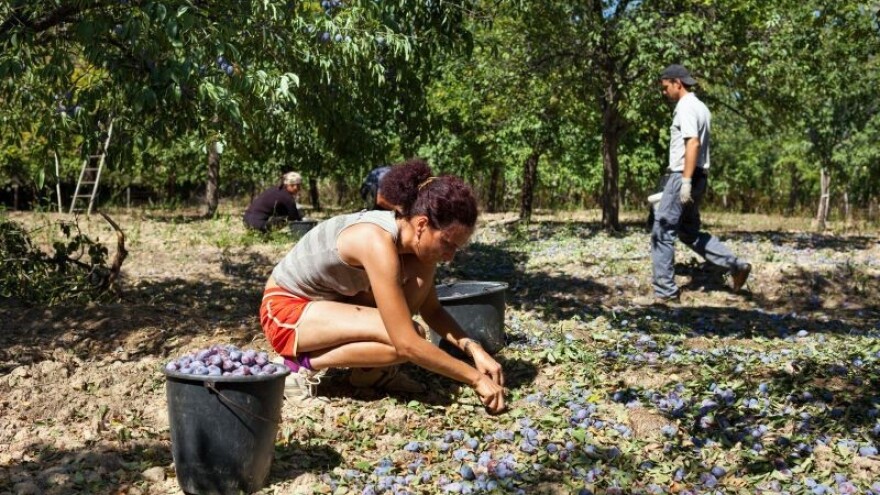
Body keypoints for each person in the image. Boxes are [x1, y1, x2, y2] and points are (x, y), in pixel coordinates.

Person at [259, 159, 506, 413]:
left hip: (326, 305)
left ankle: (369, 373)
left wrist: (473, 349)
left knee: (408, 331)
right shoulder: (375, 241)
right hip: (284, 311)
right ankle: (296, 367)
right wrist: (475, 378)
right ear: (421, 224)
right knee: (409, 339)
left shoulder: (417, 249)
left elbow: (431, 310)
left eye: (457, 247)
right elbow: (407, 343)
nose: (450, 256)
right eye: (447, 243)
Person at [644, 64, 752, 304]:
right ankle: (735, 265)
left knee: (661, 231)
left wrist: (684, 181)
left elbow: (692, 143)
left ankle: (665, 293)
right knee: (688, 232)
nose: (664, 93)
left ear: (676, 83)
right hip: (700, 175)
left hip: (684, 175)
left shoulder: (686, 107)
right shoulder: (701, 107)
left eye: (665, 87)